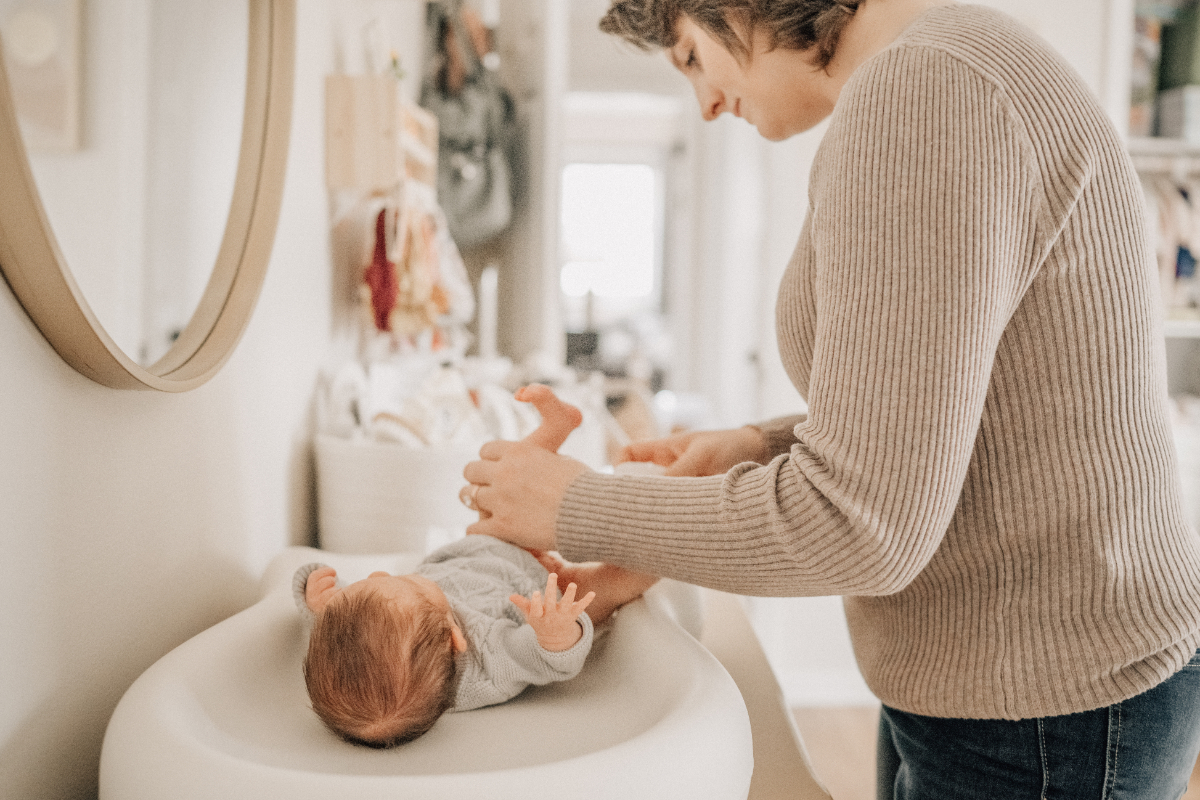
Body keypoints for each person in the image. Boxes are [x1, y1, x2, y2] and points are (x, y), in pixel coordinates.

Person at [461, 1, 1200, 797]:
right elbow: (972, 400)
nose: (706, 103)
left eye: (689, 57)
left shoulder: (927, 92)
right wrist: (762, 444)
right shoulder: (941, 70)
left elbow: (863, 525)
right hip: (1018, 683)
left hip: (1045, 711)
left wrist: (577, 506)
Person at [298, 386, 656, 748]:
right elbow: (546, 662)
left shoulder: (356, 643)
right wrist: (554, 634)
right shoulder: (490, 667)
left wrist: (315, 600)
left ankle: (557, 428)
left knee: (505, 491)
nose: (378, 574)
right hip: (546, 596)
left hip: (485, 549)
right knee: (604, 592)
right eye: (409, 584)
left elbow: (340, 627)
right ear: (456, 637)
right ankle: (659, 548)